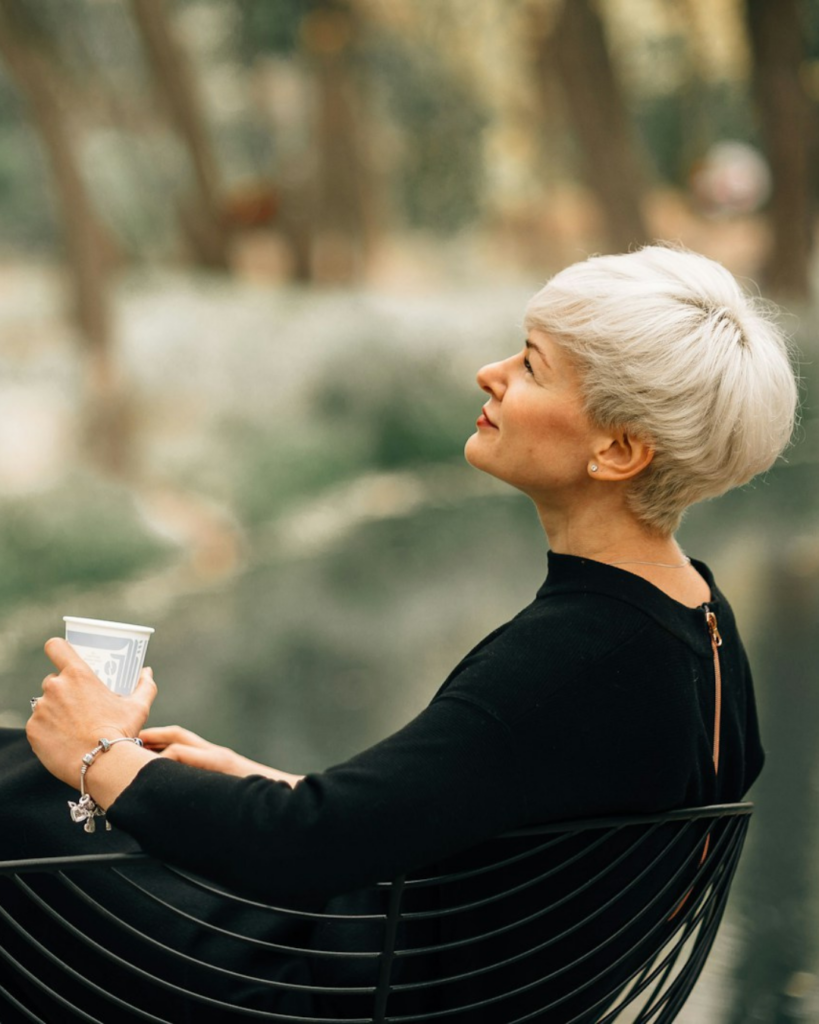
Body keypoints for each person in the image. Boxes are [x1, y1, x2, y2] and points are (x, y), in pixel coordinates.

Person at [17, 245, 797, 1018]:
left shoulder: (573, 659)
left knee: (20, 784)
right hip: (389, 965)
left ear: (617, 450)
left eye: (531, 366)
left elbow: (301, 848)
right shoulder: (695, 624)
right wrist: (246, 778)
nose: (489, 374)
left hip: (320, 992)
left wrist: (95, 751)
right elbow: (463, 824)